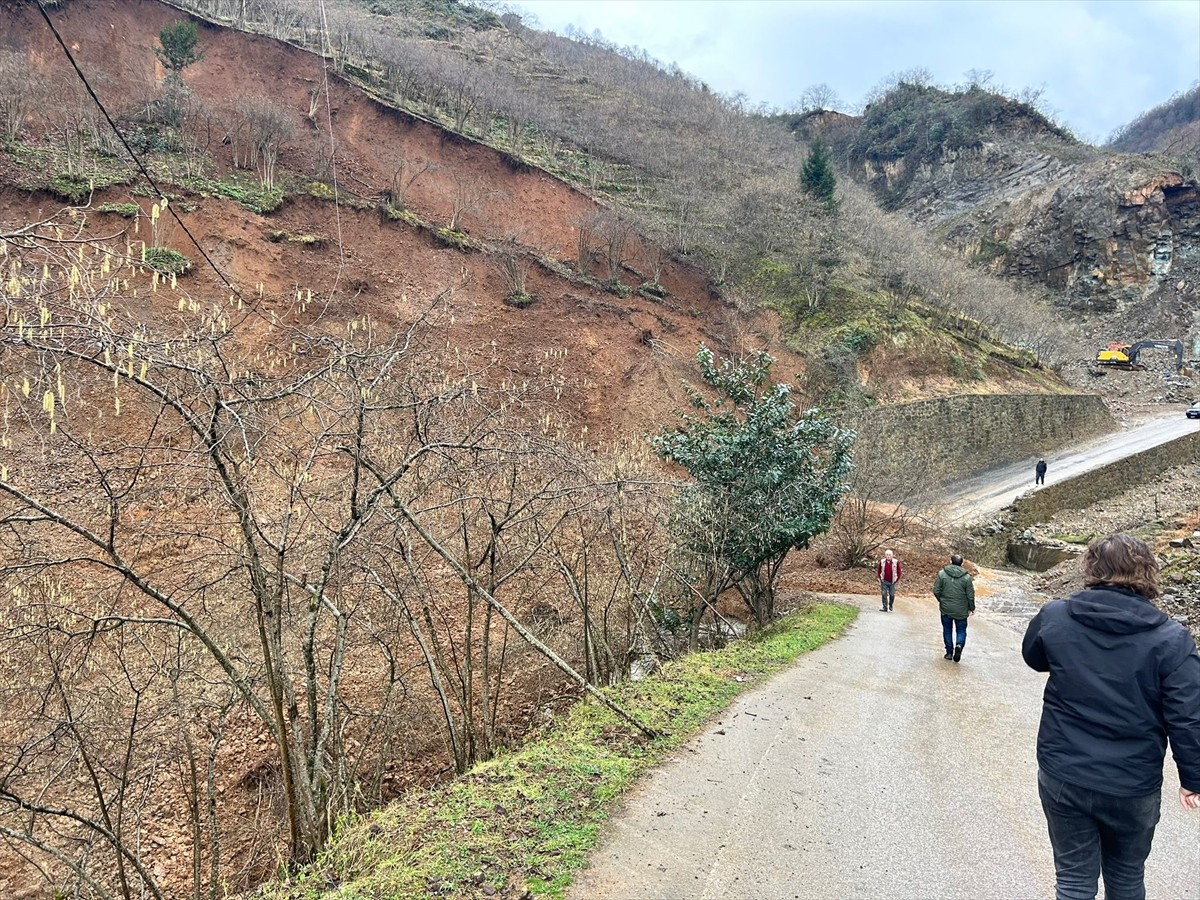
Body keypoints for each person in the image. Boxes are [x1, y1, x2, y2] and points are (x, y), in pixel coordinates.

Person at [1022, 534, 1200, 900]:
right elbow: (1188, 716)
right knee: (1127, 879)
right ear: (1147, 572)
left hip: (1064, 773)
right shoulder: (1172, 639)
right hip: (1132, 784)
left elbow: (1034, 657)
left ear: (1092, 568)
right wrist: (1193, 777)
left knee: (1073, 880)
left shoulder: (1056, 615)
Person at [932, 553, 974, 661]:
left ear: (950, 561)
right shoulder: (966, 577)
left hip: (946, 609)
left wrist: (942, 600)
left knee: (947, 629)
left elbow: (936, 590)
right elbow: (970, 595)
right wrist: (971, 607)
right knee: (961, 630)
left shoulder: (942, 574)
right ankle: (959, 645)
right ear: (962, 563)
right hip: (961, 610)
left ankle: (949, 653)